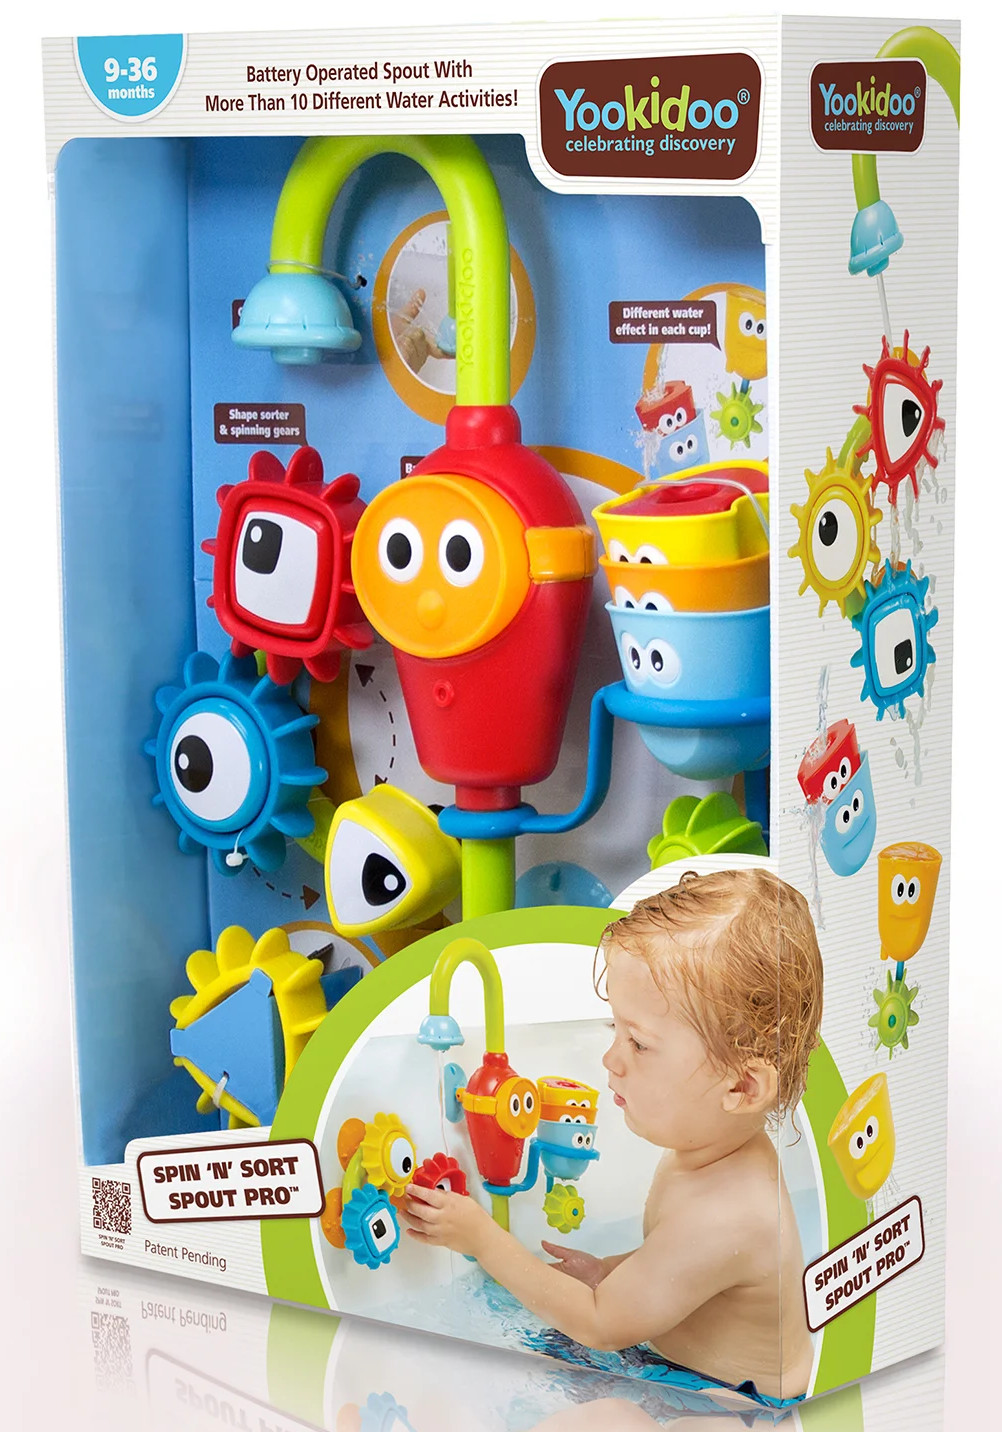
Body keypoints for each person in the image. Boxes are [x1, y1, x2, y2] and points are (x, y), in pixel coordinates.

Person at [403, 868, 823, 1404]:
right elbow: (679, 1265)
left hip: (741, 1406)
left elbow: (601, 1324)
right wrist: (611, 1270)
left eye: (639, 1044)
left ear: (742, 1086)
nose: (610, 1059)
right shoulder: (711, 1153)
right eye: (613, 1030)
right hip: (680, 1372)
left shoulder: (733, 1212)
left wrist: (482, 1239)